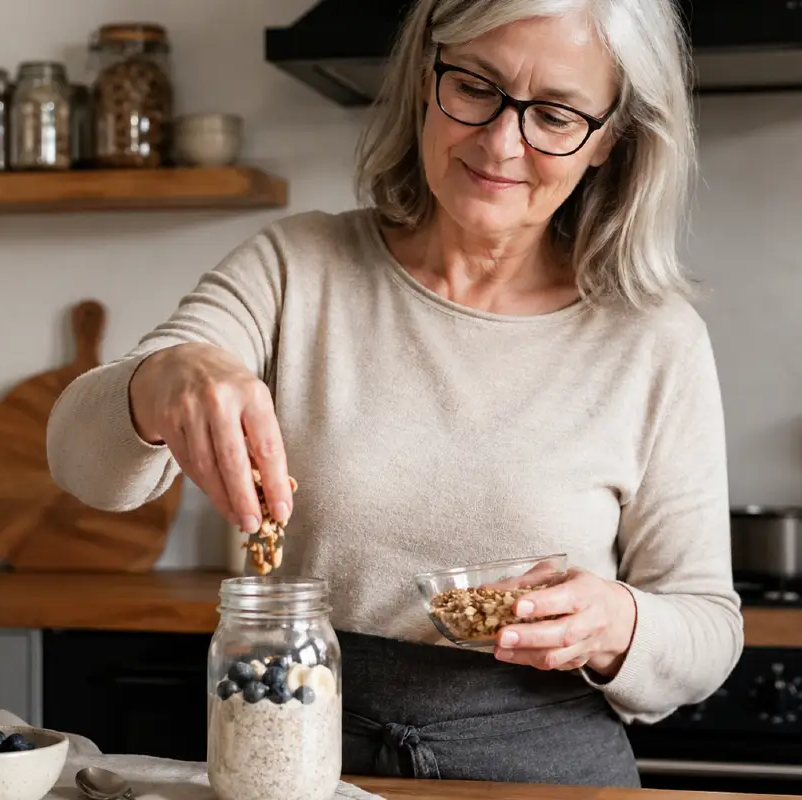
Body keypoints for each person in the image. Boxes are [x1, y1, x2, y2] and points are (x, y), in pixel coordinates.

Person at [46, 0, 743, 785]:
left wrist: (621, 624)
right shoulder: (297, 267)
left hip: (549, 769)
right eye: (475, 87)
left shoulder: (653, 337)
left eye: (553, 114)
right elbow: (82, 465)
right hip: (298, 752)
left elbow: (708, 629)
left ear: (609, 140)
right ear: (424, 81)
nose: (501, 141)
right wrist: (158, 380)